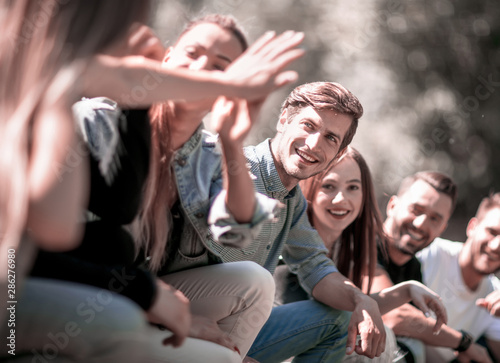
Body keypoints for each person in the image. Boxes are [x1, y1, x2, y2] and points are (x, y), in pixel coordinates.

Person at [29, 15, 305, 362]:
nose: (202, 68)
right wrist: (152, 302)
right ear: (166, 59)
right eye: (193, 53)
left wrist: (233, 140)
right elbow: (67, 242)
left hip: (149, 287)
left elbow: (237, 231)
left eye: (221, 67)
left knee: (254, 281)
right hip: (85, 282)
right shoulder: (97, 120)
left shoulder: (210, 153)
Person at [0, 1, 153, 361]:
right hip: (10, 286)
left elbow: (117, 208)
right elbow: (52, 230)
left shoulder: (47, 96)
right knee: (119, 321)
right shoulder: (68, 104)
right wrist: (143, 291)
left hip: (17, 272)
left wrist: (139, 102)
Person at [244, 145, 446, 362]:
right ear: (309, 188)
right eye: (329, 186)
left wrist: (406, 290)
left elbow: (347, 306)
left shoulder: (348, 247)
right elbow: (323, 318)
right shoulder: (292, 244)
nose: (341, 199)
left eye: (353, 187)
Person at [370, 171, 463, 363]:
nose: (420, 224)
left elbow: (415, 330)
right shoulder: (364, 242)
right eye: (416, 210)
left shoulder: (413, 267)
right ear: (393, 205)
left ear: (442, 228)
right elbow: (392, 315)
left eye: (434, 219)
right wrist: (463, 342)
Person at [415, 192, 500, 362]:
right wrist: (464, 344)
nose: (496, 245)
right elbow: (394, 316)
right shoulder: (430, 254)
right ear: (472, 227)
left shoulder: (495, 295)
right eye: (492, 232)